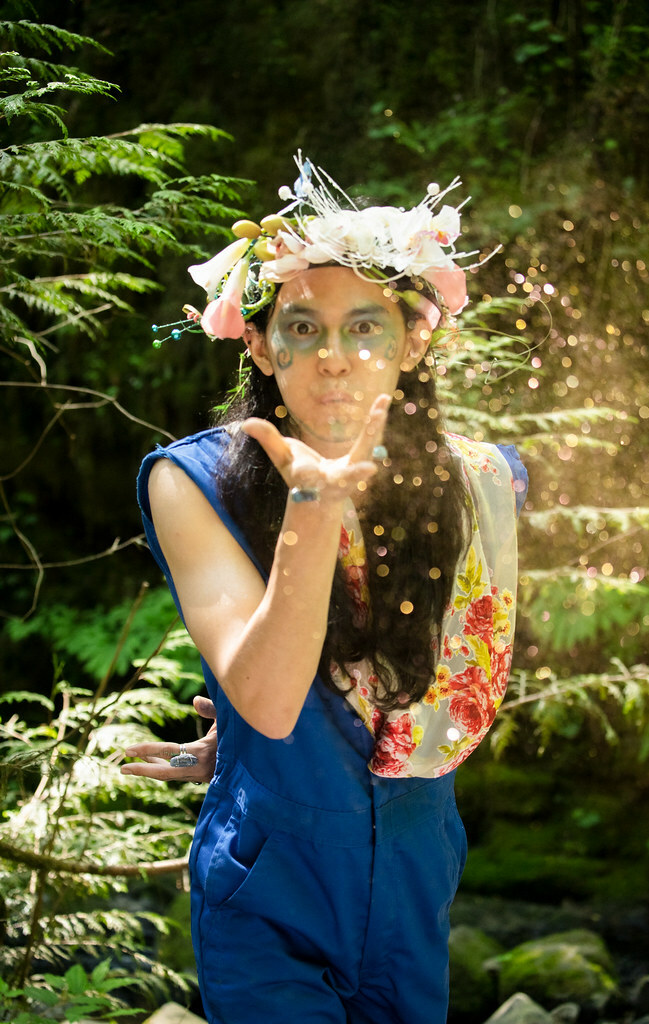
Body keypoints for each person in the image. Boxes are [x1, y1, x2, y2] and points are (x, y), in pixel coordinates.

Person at [121, 155, 528, 1024]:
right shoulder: (194, 483)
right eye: (303, 328)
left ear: (413, 338)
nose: (335, 359)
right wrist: (314, 503)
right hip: (272, 883)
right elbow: (269, 704)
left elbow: (434, 677)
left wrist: (259, 739)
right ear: (260, 344)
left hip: (419, 868)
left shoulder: (483, 482)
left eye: (366, 328)